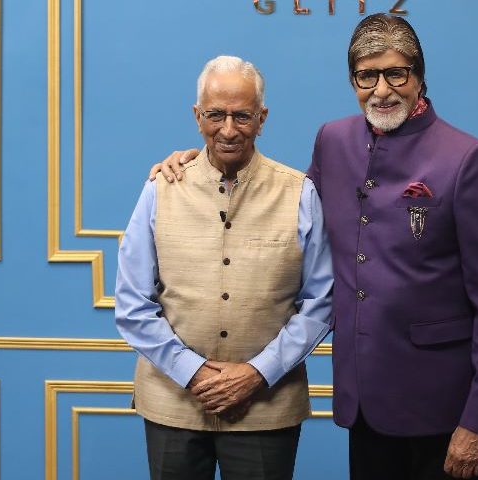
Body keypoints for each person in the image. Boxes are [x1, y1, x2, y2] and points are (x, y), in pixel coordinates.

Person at [151, 14, 478, 480]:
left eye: (396, 73)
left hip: (444, 409)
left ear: (419, 77)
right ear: (353, 81)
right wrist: (201, 162)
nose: (381, 90)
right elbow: (280, 203)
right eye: (367, 76)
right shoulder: (333, 140)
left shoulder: (467, 158)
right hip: (363, 401)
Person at [116, 55, 333, 480]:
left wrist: (257, 373)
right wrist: (192, 372)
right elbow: (132, 304)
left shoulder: (299, 193)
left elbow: (321, 302)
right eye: (216, 115)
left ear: (262, 118)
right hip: (172, 404)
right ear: (197, 116)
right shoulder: (160, 189)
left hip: (266, 406)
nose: (229, 130)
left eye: (242, 116)